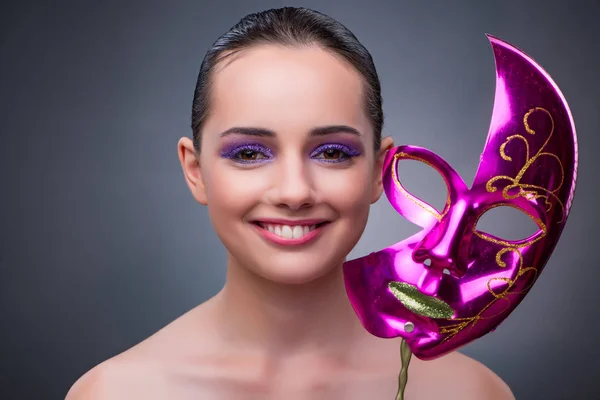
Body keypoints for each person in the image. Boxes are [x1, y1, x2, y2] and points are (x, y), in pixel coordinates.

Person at [66, 7, 515, 399]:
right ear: (195, 171)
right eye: (248, 153)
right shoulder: (114, 392)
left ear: (380, 171)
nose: (295, 192)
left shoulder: (471, 393)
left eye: (333, 153)